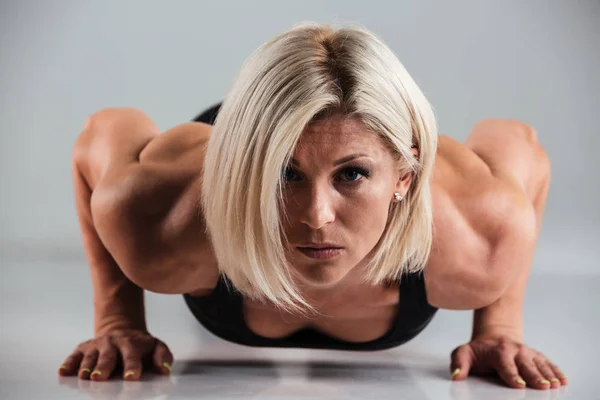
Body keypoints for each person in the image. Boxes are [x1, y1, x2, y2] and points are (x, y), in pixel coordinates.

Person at [59, 23, 566, 390]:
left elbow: (519, 142)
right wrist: (118, 319)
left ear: (405, 178)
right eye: (287, 177)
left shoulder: (480, 229)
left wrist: (500, 328)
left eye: (352, 175)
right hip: (254, 138)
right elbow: (99, 132)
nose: (315, 217)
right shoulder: (162, 213)